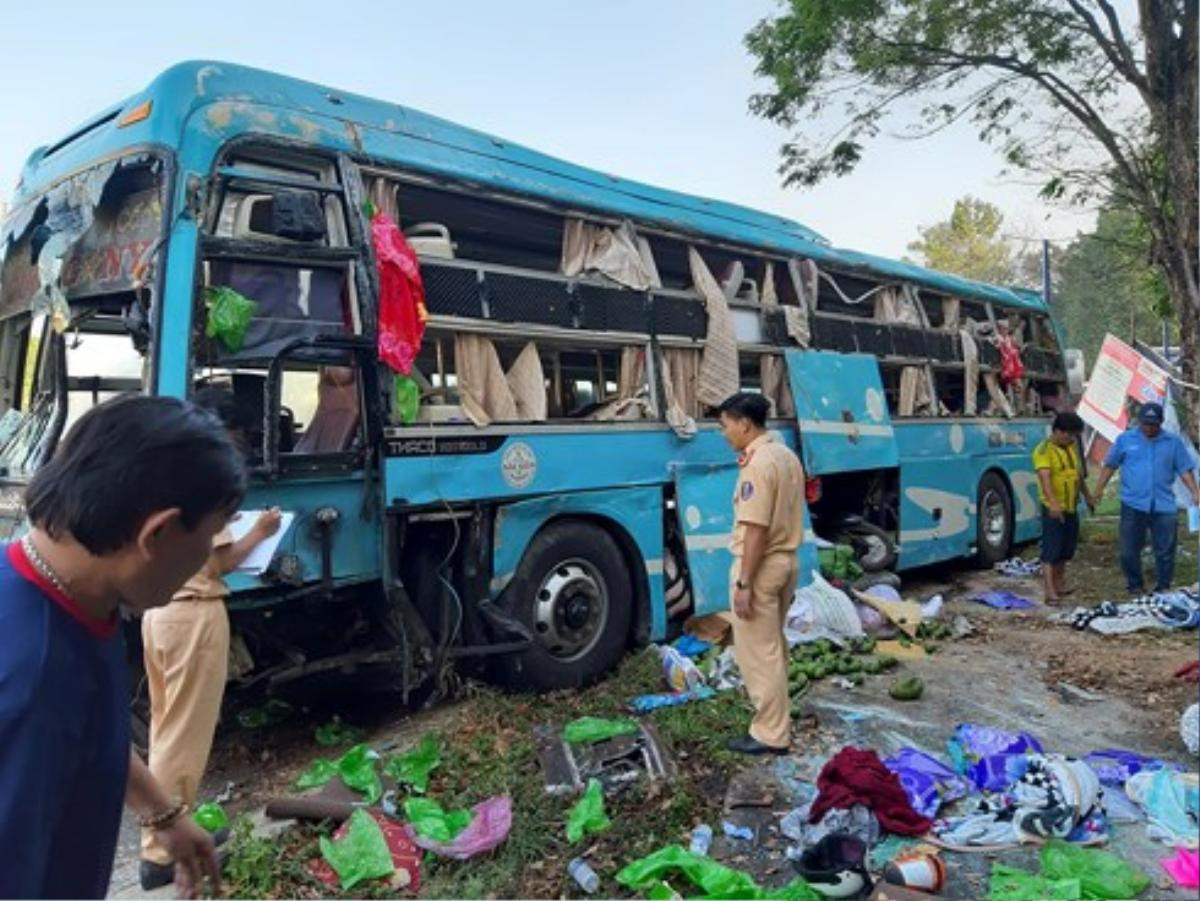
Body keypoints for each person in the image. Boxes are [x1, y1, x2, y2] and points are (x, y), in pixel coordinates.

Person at [0, 395, 246, 899]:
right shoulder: (33, 677)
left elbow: (92, 725)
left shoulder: (76, 597)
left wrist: (163, 813)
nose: (212, 552)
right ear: (156, 533)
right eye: (213, 535)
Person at [139, 388, 282, 890]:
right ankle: (162, 850)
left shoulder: (159, 468)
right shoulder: (199, 480)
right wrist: (263, 529)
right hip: (194, 616)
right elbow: (222, 560)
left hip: (159, 617)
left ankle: (160, 836)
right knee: (185, 736)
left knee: (165, 728)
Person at [716, 392, 805, 756]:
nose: (723, 433)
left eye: (725, 426)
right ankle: (778, 720)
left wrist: (744, 583)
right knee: (773, 647)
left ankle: (770, 733)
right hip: (787, 561)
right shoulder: (785, 456)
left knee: (758, 653)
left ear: (744, 424)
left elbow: (755, 529)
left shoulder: (757, 463)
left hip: (762, 566)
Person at [1092, 402, 1200, 594]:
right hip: (1133, 503)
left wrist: (1195, 492)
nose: (1149, 429)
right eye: (1146, 424)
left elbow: (1185, 470)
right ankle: (1135, 585)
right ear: (1139, 422)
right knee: (1129, 550)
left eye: (1154, 425)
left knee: (1165, 550)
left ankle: (1163, 587)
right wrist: (1099, 490)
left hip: (1164, 505)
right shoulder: (1125, 440)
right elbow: (1110, 465)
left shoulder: (1173, 442)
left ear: (1161, 423)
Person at [1032, 411, 1094, 601]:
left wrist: (1088, 497)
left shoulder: (1071, 447)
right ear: (1059, 431)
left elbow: (1077, 475)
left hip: (1071, 506)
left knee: (1066, 549)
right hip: (1054, 508)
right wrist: (1053, 504)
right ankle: (1050, 590)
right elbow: (1045, 478)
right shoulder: (1043, 450)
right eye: (1070, 434)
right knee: (1051, 549)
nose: (1072, 438)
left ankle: (1060, 583)